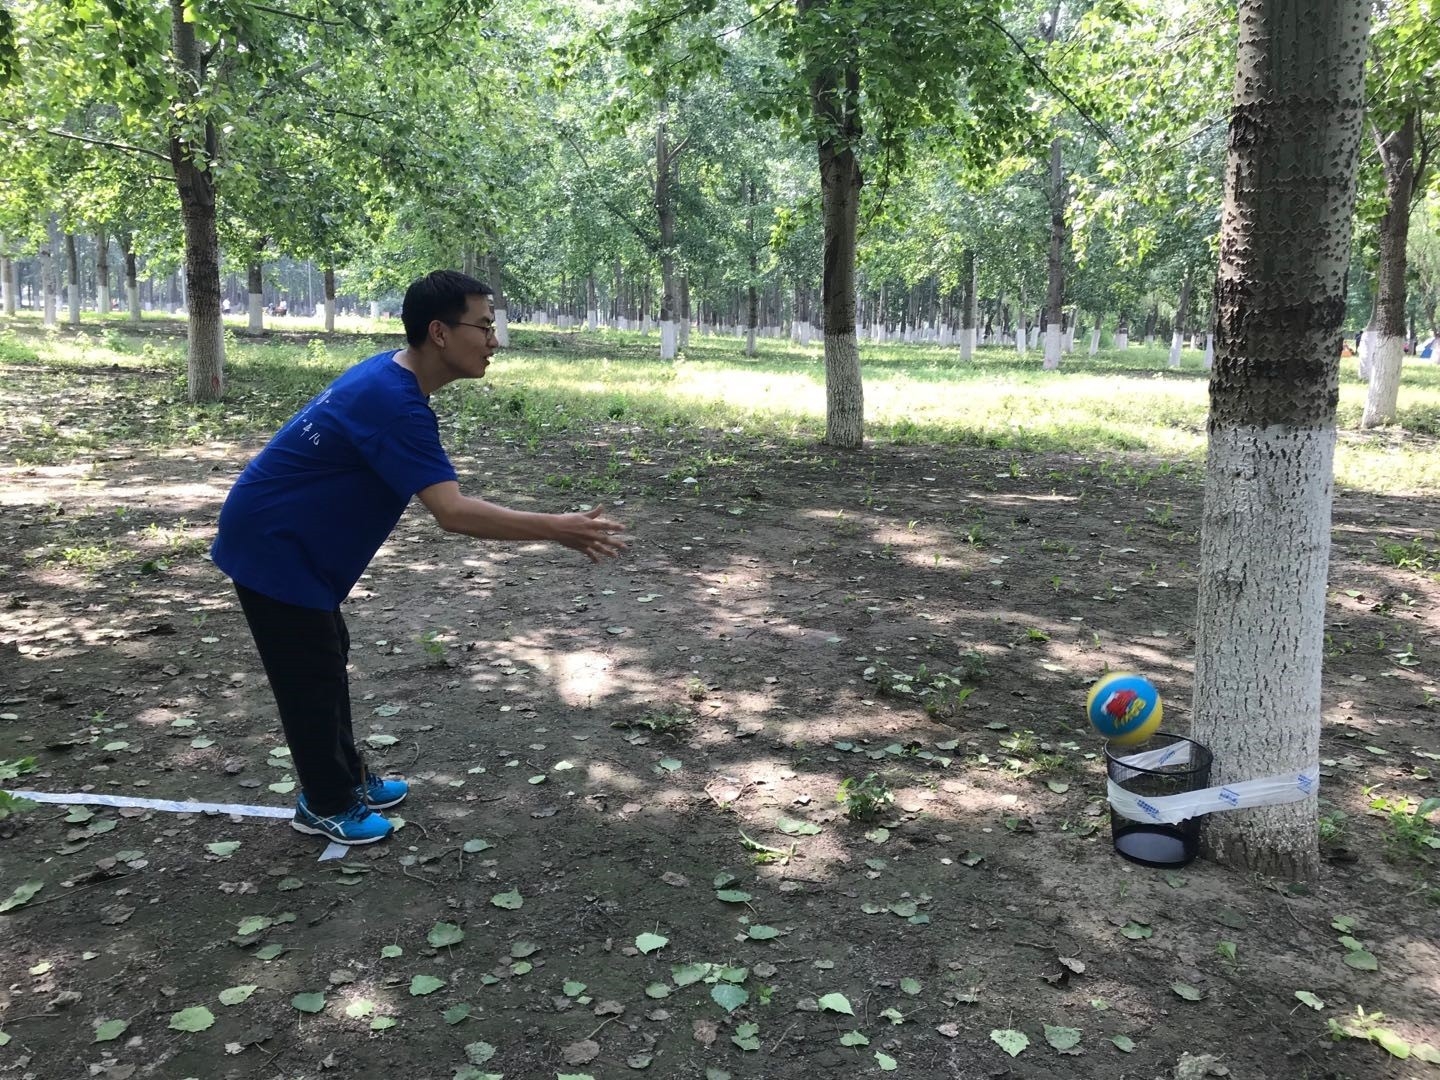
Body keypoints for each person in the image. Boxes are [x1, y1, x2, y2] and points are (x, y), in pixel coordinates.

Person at [211, 270, 626, 845]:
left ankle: (346, 776)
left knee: (327, 655)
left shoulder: (392, 378)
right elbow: (452, 512)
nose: (494, 341)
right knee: (308, 673)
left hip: (294, 541)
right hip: (273, 544)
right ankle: (325, 802)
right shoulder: (395, 405)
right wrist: (556, 528)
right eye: (484, 327)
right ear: (439, 332)